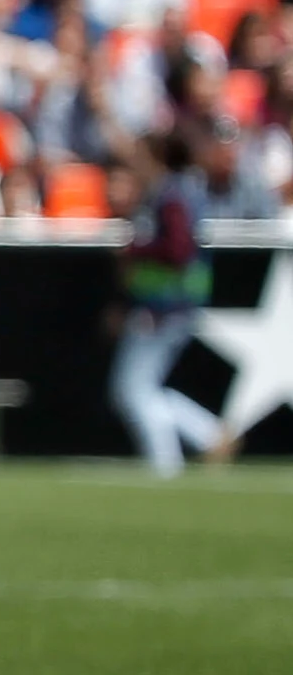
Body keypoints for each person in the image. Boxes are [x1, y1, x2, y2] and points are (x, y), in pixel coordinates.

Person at [116, 129, 237, 476]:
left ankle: (166, 464)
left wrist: (135, 251)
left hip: (165, 307)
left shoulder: (170, 196)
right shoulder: (172, 193)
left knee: (132, 389)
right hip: (169, 305)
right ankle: (208, 433)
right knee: (142, 388)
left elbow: (179, 250)